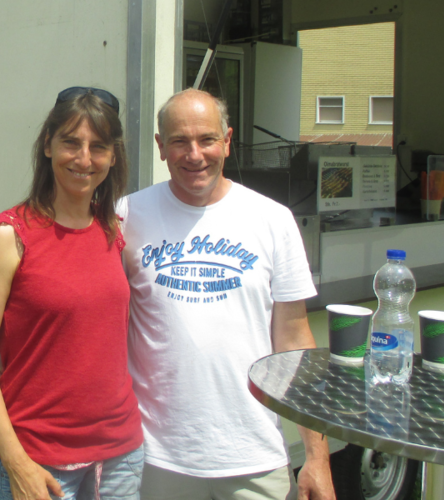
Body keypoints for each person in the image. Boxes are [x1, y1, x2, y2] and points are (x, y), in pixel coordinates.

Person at [117, 89, 335, 500]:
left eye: (207, 139)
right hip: (155, 457)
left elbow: (294, 342)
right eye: (179, 141)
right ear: (161, 147)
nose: (194, 154)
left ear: (228, 141)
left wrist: (317, 456)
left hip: (254, 454)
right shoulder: (127, 216)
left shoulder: (273, 220)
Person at [0, 87, 143, 500]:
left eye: (98, 147)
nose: (84, 159)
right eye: (70, 142)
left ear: (113, 156)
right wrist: (16, 461)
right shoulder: (6, 236)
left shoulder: (114, 229)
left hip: (121, 457)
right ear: (47, 145)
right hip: (38, 459)